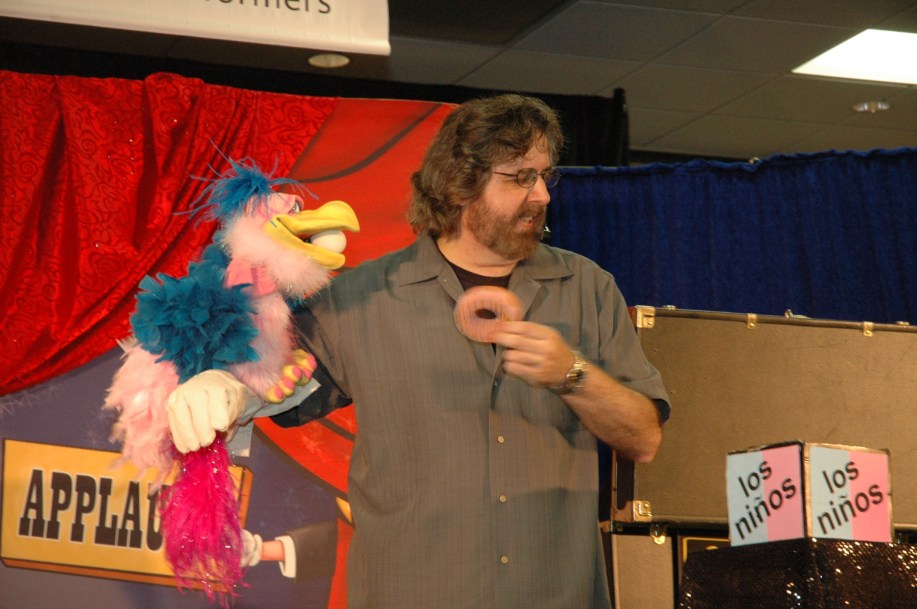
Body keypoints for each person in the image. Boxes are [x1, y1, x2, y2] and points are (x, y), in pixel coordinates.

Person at [168, 93, 670, 609]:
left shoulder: (587, 288)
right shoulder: (363, 296)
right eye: (520, 177)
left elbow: (645, 439)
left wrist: (573, 373)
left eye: (545, 176)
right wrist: (224, 385)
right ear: (460, 184)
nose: (541, 194)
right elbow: (276, 387)